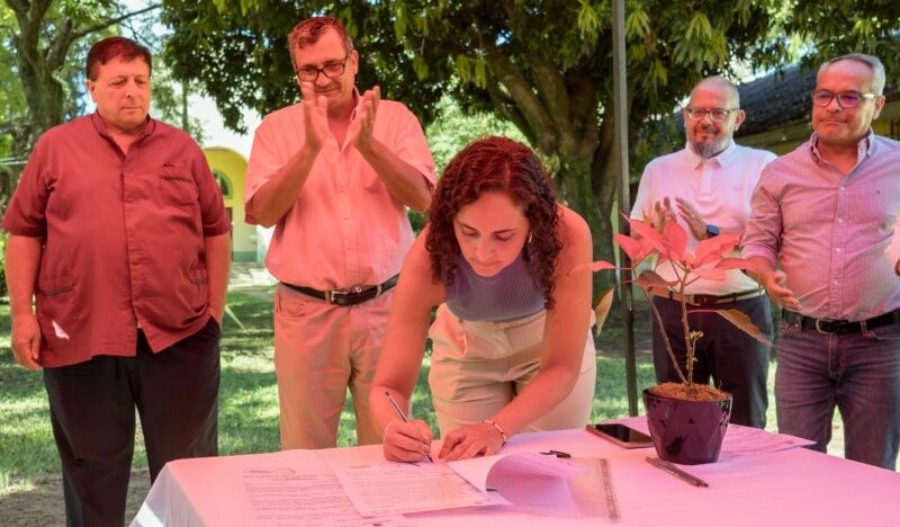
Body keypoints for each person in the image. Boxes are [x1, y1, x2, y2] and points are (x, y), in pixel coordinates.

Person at [2, 36, 231, 526]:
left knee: (188, 475)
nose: (132, 91)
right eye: (119, 81)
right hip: (80, 336)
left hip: (180, 335)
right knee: (91, 475)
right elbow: (23, 232)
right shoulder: (55, 148)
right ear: (92, 88)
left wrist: (212, 310)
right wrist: (24, 315)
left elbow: (216, 230)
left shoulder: (182, 149)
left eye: (141, 81)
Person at [244, 16, 435, 450]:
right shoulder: (276, 129)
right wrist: (309, 149)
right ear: (297, 73)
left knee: (390, 446)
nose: (323, 79)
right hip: (306, 311)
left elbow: (424, 198)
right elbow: (262, 211)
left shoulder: (395, 119)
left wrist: (370, 146)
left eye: (332, 65)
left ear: (353, 61)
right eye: (309, 70)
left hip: (386, 306)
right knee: (305, 452)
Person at [370, 136, 597, 462]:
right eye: (469, 231)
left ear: (534, 221)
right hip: (466, 350)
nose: (482, 253)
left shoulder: (569, 235)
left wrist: (497, 428)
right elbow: (387, 386)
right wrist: (393, 427)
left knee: (549, 466)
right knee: (469, 470)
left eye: (503, 236)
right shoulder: (429, 255)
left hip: (547, 349)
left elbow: (561, 367)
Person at [743, 53, 900, 469]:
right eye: (824, 95)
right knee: (797, 467)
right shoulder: (780, 172)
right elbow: (756, 243)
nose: (833, 106)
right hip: (802, 342)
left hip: (881, 343)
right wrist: (765, 274)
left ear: (877, 104)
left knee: (873, 468)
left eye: (850, 97)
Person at [631, 76, 775, 428]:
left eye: (717, 112)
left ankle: (744, 485)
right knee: (675, 420)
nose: (705, 120)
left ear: (737, 118)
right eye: (698, 111)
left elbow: (776, 237)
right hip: (674, 307)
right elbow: (637, 242)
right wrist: (658, 236)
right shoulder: (658, 169)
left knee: (744, 420)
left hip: (740, 308)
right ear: (685, 115)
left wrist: (712, 233)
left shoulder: (764, 165)